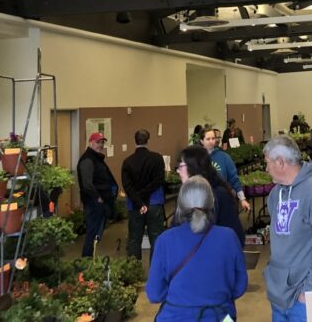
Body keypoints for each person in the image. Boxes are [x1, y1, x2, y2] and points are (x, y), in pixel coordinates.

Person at [146, 175, 247, 321]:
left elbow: (154, 294)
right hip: (219, 315)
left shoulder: (165, 240)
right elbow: (240, 286)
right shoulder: (229, 237)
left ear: (180, 205)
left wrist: (181, 298)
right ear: (211, 202)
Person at [262, 135, 312, 321]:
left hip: (304, 298)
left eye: (267, 163)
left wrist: (311, 291)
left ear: (280, 162)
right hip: (279, 295)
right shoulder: (275, 194)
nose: (266, 168)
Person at [178, 145, 245, 246]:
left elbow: (235, 236)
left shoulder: (220, 195)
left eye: (181, 166)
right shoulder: (184, 194)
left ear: (193, 167)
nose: (178, 171)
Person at [121, 129, 166, 261]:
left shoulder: (128, 162)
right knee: (156, 237)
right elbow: (159, 180)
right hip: (154, 203)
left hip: (135, 204)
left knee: (134, 238)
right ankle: (156, 269)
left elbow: (127, 186)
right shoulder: (157, 158)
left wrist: (138, 198)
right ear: (148, 140)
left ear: (134, 141)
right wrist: (144, 194)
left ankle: (133, 269)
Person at [77, 132, 118, 257]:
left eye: (102, 142)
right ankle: (87, 260)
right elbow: (87, 184)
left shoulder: (96, 158)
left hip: (99, 202)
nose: (100, 145)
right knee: (93, 233)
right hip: (93, 203)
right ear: (90, 143)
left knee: (96, 233)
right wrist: (98, 198)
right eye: (97, 142)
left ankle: (90, 258)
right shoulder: (88, 160)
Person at [199, 129, 251, 212]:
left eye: (213, 138)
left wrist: (242, 199)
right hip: (202, 204)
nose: (211, 141)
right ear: (202, 141)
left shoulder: (224, 157)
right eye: (208, 139)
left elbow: (234, 179)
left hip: (222, 202)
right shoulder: (197, 159)